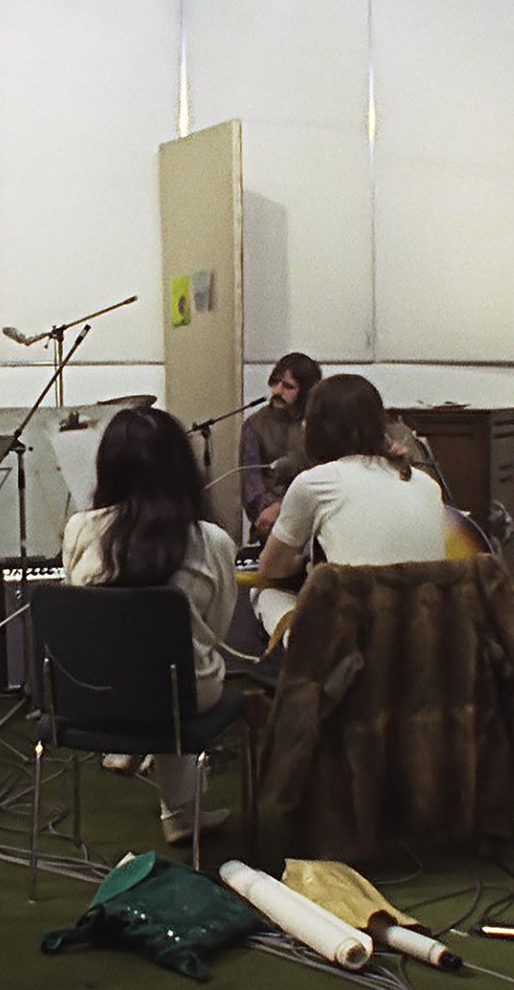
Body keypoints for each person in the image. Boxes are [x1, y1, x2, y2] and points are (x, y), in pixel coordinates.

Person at [61, 406, 239, 845]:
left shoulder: (80, 528)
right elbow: (215, 630)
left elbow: (77, 611)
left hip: (92, 694)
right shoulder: (212, 541)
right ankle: (182, 812)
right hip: (181, 694)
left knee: (152, 670)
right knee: (183, 669)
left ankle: (125, 745)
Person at [254, 374, 446, 640]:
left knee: (265, 593)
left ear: (314, 428)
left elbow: (271, 569)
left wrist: (306, 565)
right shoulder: (427, 485)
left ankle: (299, 669)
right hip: (427, 638)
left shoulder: (315, 482)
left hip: (354, 642)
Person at [239, 352, 321, 542]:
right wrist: (271, 511)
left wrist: (283, 507)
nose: (277, 391)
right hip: (271, 527)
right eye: (275, 383)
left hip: (315, 524)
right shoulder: (255, 425)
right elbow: (251, 486)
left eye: (288, 387)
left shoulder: (320, 425)